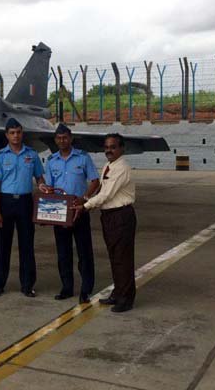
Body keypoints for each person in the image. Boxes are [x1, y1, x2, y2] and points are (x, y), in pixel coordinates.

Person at [72, 133, 137, 313]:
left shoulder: (121, 168)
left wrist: (85, 206)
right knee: (115, 257)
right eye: (106, 147)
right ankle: (118, 293)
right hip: (110, 216)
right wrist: (87, 201)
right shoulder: (109, 166)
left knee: (123, 259)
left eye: (113, 147)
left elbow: (106, 195)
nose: (108, 150)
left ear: (121, 148)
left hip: (121, 215)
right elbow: (102, 190)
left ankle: (126, 299)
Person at [43, 123, 100, 304]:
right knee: (63, 252)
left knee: (84, 251)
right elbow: (50, 187)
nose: (62, 141)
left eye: (65, 137)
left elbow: (95, 181)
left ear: (71, 138)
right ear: (55, 140)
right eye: (59, 138)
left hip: (79, 209)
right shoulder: (51, 161)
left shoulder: (82, 158)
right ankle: (67, 287)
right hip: (60, 211)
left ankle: (86, 289)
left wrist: (85, 198)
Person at [0, 117, 45, 297]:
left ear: (22, 134)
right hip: (5, 203)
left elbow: (40, 179)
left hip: (25, 202)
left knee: (27, 244)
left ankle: (27, 285)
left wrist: (44, 189)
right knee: (2, 245)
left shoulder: (32, 155)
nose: (16, 136)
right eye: (12, 133)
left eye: (18, 132)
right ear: (6, 135)